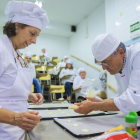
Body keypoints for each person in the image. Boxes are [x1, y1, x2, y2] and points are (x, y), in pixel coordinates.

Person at [0, 1, 49, 139]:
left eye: (37, 36)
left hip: (17, 132)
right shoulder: (1, 50)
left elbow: (6, 88)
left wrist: (28, 95)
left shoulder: (17, 55)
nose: (34, 41)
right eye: (32, 33)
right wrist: (15, 118)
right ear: (17, 26)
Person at [74, 33, 140, 115]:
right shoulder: (118, 66)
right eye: (101, 63)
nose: (104, 68)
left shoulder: (137, 54)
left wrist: (95, 106)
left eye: (106, 62)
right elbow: (121, 95)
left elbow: (134, 100)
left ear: (121, 52)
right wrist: (100, 102)